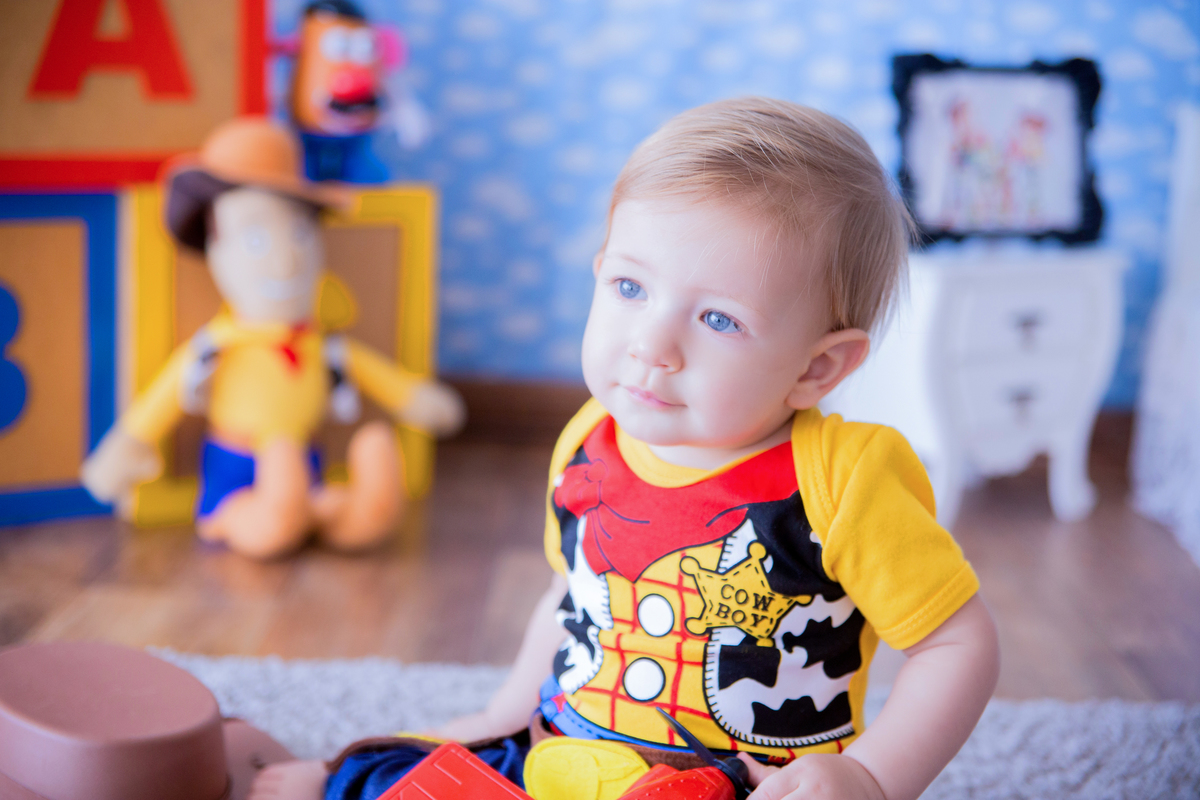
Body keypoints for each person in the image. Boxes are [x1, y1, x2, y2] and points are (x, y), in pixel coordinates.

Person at [250, 97, 1000, 800]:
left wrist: (868, 776)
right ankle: (318, 774)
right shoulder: (591, 438)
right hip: (561, 755)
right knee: (396, 772)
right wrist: (503, 713)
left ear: (818, 368)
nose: (651, 345)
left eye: (718, 320)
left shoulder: (843, 478)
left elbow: (957, 646)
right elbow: (570, 595)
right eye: (631, 288)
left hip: (734, 783)